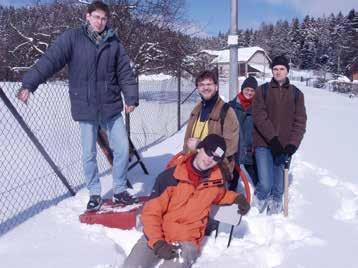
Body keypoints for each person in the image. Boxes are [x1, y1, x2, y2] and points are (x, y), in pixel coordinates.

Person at [16, 1, 139, 211]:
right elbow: (50, 60)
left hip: (110, 105)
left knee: (122, 148)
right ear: (87, 16)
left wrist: (131, 97)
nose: (100, 22)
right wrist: (29, 84)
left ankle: (119, 190)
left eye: (104, 18)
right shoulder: (72, 38)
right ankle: (94, 193)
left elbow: (125, 72)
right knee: (88, 154)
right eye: (96, 17)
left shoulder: (114, 41)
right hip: (86, 106)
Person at [123, 134, 250, 268]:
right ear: (200, 148)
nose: (210, 160)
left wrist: (237, 198)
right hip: (159, 234)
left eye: (216, 158)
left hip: (187, 241)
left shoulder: (215, 182)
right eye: (209, 153)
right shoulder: (170, 177)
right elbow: (150, 213)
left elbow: (221, 195)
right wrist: (157, 242)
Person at [252, 55, 307, 215]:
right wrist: (273, 139)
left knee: (278, 186)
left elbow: (300, 121)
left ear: (287, 71)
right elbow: (259, 116)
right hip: (263, 143)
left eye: (281, 69)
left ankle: (276, 203)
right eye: (275, 69)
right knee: (266, 183)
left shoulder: (297, 94)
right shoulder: (262, 91)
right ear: (272, 71)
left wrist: (292, 145)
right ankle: (260, 198)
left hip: (284, 146)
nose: (278, 72)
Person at [183, 70, 239, 176]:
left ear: (216, 87)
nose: (205, 88)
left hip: (215, 170)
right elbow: (188, 139)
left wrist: (201, 145)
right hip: (193, 166)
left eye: (209, 84)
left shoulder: (227, 112)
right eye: (201, 85)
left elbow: (230, 147)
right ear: (198, 88)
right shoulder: (196, 110)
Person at [229, 76, 259, 191]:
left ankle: (260, 196)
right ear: (242, 89)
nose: (249, 93)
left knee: (255, 175)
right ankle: (230, 194)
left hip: (249, 148)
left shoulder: (258, 107)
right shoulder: (232, 106)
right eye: (247, 89)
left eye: (252, 91)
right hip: (235, 148)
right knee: (233, 176)